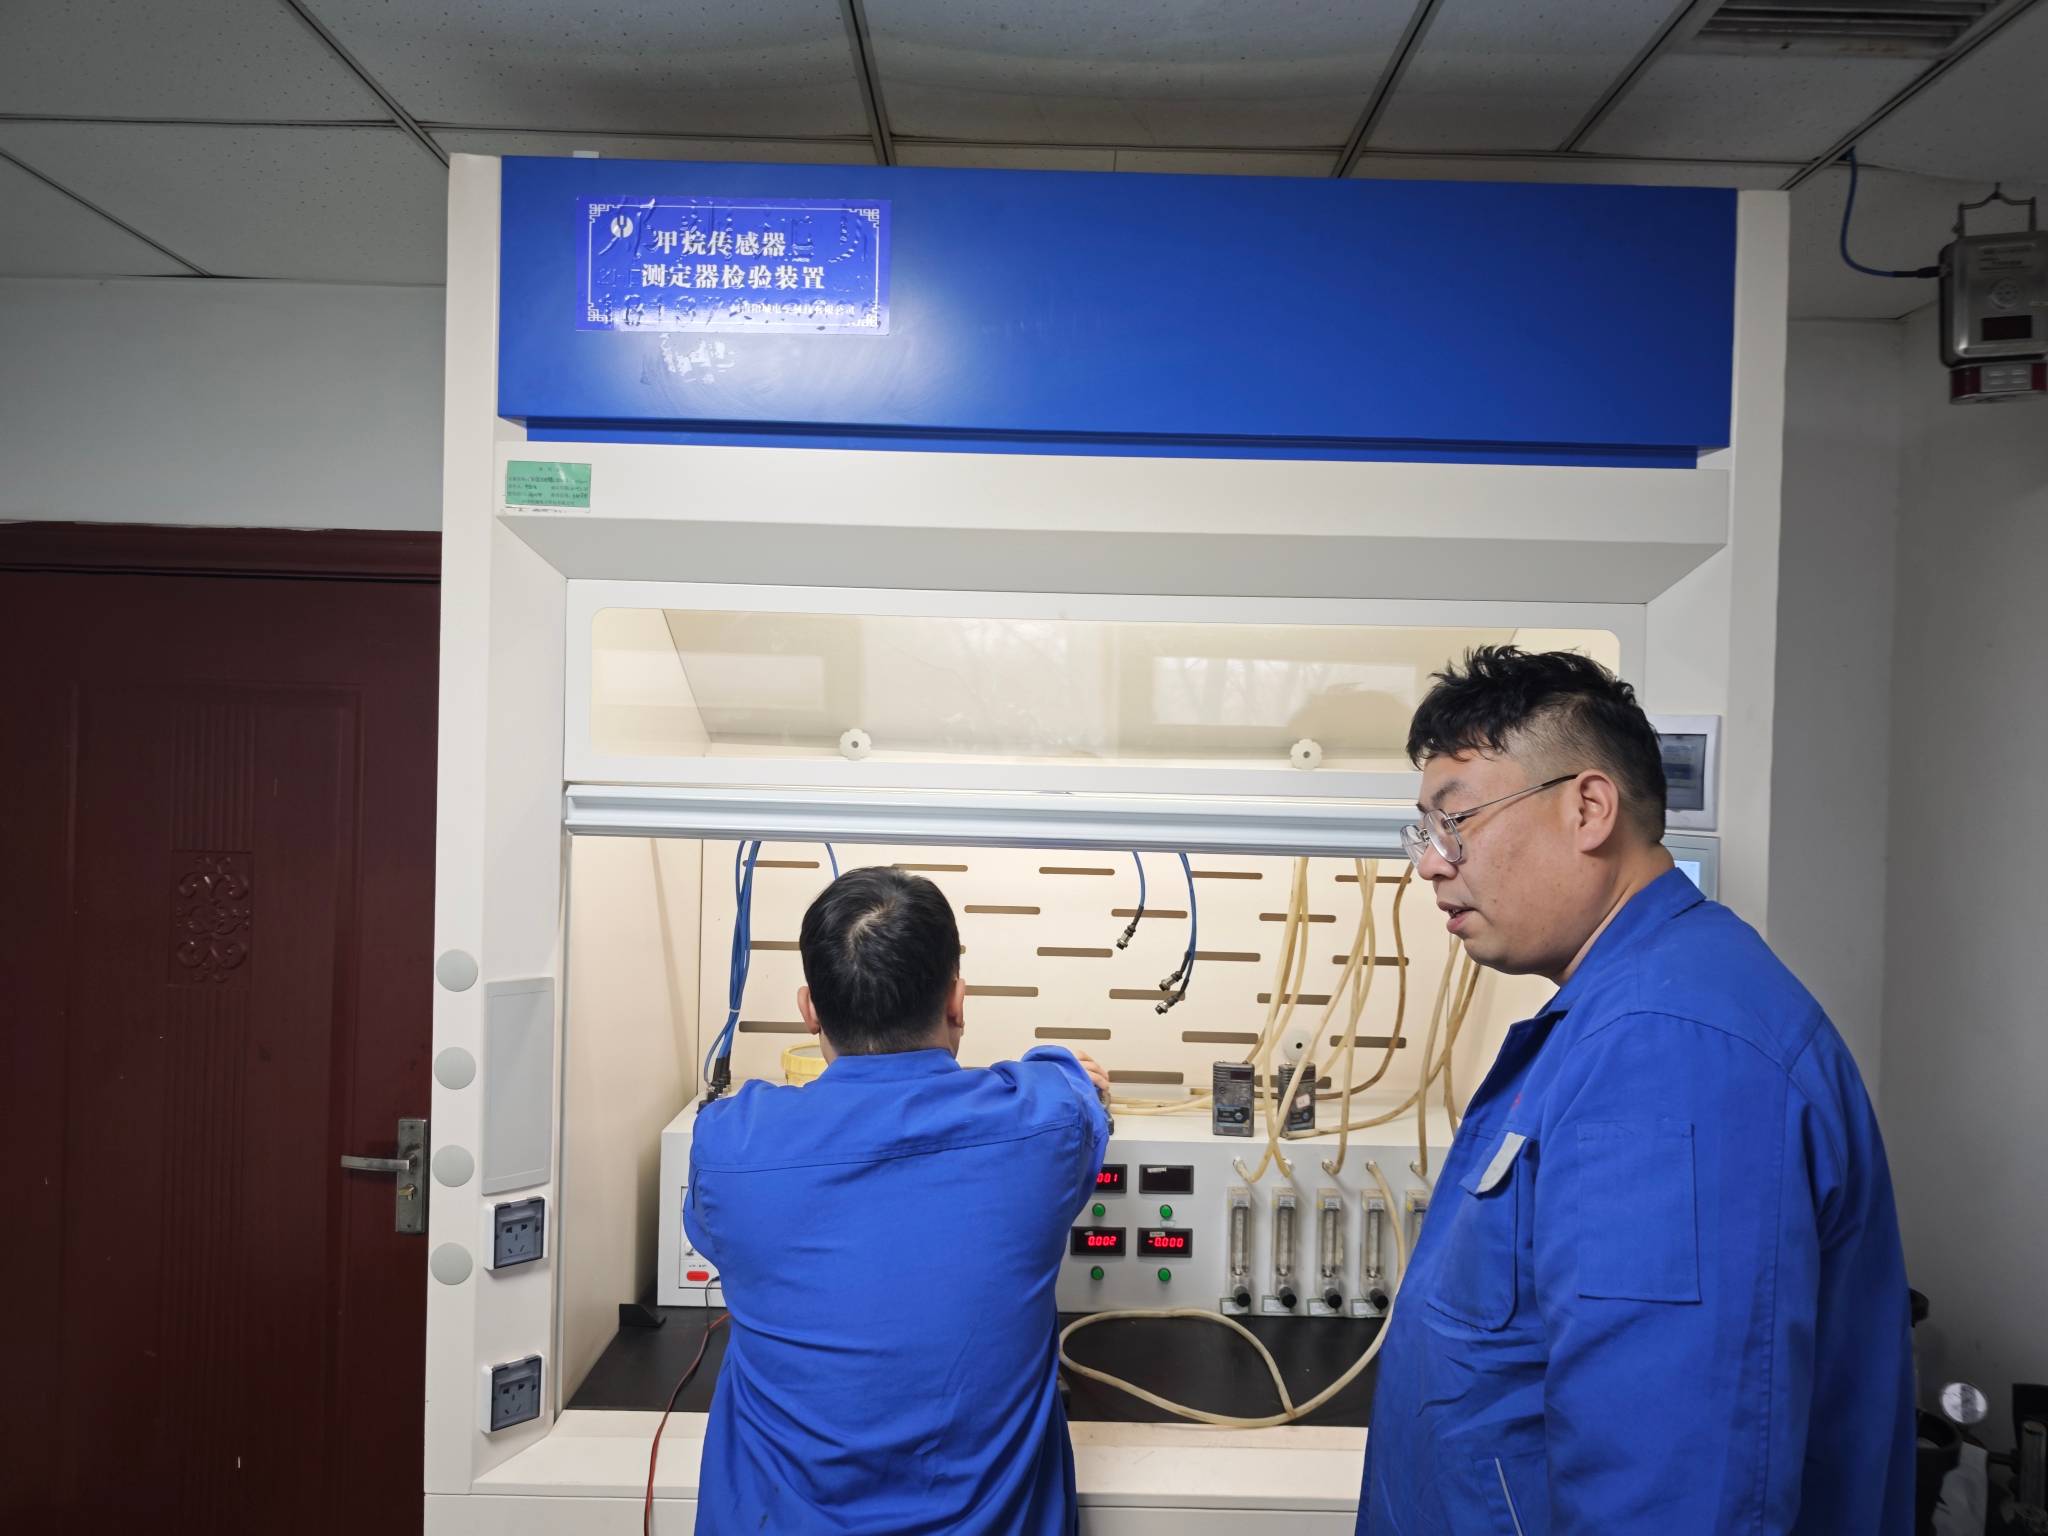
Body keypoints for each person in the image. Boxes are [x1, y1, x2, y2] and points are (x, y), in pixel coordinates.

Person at [1358, 647, 1913, 1535]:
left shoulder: (1671, 1052)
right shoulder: (1630, 1013)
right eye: (1423, 832)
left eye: (1454, 822)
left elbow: (1673, 1489)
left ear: (1588, 808)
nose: (1430, 864)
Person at [685, 866, 1110, 1536]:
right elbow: (1071, 1084)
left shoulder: (730, 1143)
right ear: (957, 1002)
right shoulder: (1046, 1123)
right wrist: (1061, 1068)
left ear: (810, 1010)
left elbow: (714, 1234)